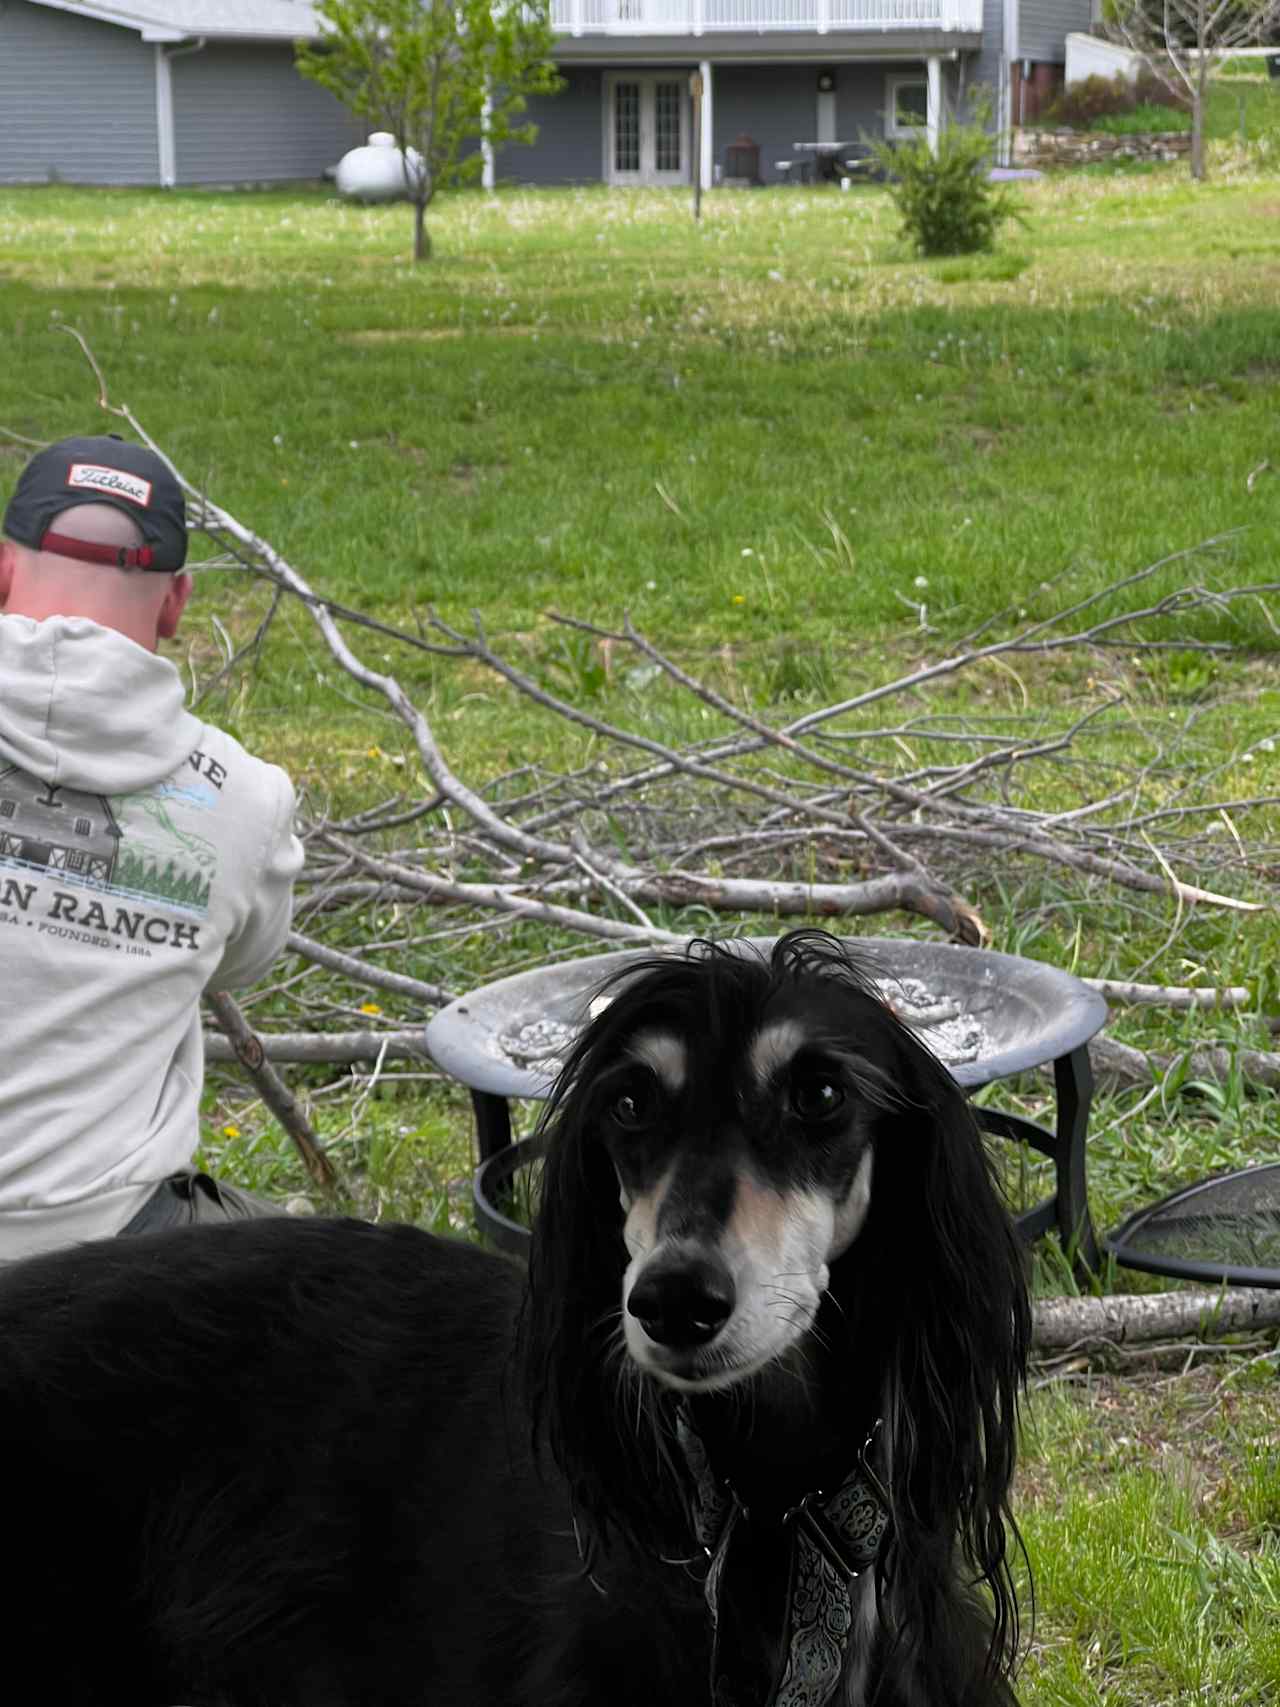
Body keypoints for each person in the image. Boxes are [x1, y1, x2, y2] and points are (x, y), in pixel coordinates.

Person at [0, 434, 303, 1258]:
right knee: (341, 1289)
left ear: (1, 571)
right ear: (175, 604)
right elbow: (243, 962)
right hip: (105, 1262)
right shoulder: (245, 797)